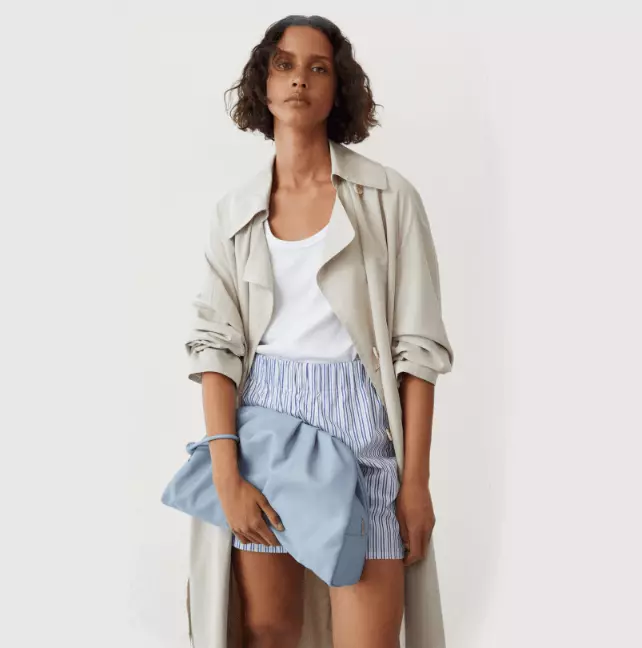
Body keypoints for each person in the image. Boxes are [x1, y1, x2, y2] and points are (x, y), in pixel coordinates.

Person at [182, 15, 455, 648]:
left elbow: (417, 350)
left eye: (318, 67)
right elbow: (215, 347)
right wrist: (226, 473)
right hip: (265, 431)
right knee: (267, 632)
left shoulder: (389, 197)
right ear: (263, 82)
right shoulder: (234, 212)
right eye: (283, 64)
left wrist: (415, 483)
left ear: (339, 89)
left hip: (363, 429)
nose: (299, 79)